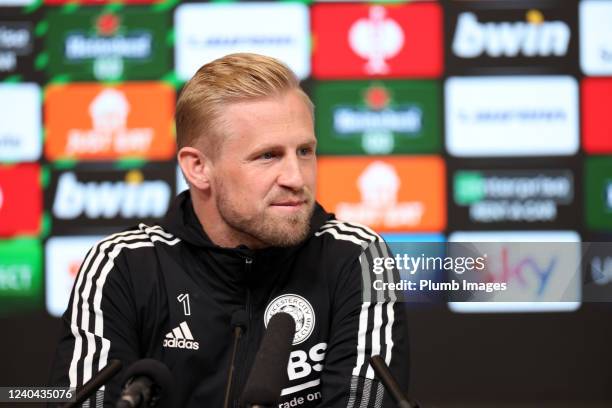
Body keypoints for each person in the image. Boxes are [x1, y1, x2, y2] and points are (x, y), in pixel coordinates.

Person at [50, 53, 409, 407]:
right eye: (267, 155)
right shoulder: (123, 265)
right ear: (198, 167)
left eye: (304, 151)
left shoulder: (357, 258)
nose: (296, 178)